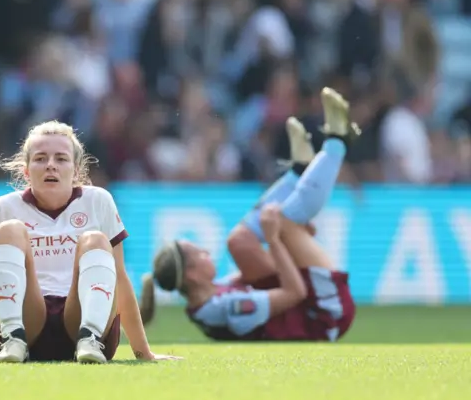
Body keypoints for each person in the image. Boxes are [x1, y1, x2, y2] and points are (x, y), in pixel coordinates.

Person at [0, 120, 180, 363]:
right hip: (29, 320)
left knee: (95, 240)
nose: (50, 166)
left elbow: (119, 278)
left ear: (76, 170)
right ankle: (13, 338)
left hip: (79, 318)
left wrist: (144, 353)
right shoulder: (7, 206)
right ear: (26, 170)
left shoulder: (98, 201)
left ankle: (90, 339)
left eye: (61, 159)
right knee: (9, 231)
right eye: (40, 158)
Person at [141, 88, 357, 342]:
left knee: (239, 242)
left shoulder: (209, 298)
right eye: (200, 254)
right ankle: (337, 141)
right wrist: (275, 239)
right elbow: (295, 292)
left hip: (305, 308)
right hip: (324, 316)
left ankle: (298, 172)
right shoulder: (225, 308)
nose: (208, 254)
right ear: (191, 274)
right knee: (283, 222)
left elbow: (253, 271)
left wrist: (287, 245)